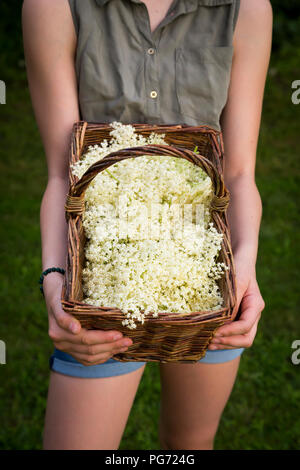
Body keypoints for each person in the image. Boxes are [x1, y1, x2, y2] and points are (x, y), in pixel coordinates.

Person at [22, 0, 272, 450]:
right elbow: (64, 173)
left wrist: (245, 265)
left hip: (206, 273)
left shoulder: (247, 9)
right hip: (104, 276)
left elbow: (238, 173)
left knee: (189, 443)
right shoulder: (53, 5)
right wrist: (55, 279)